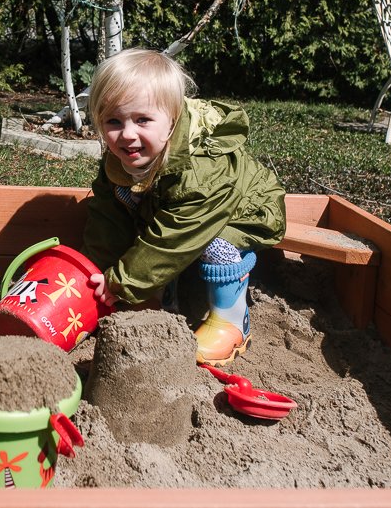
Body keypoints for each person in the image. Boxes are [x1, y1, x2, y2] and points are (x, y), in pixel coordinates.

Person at [80, 48, 286, 366]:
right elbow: (107, 219)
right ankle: (161, 297)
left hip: (242, 211)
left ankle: (231, 321)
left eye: (143, 120)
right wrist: (96, 275)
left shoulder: (201, 169)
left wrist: (123, 282)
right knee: (127, 204)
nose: (127, 134)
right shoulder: (119, 161)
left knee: (217, 243)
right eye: (113, 121)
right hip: (175, 213)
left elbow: (175, 236)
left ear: (172, 120)